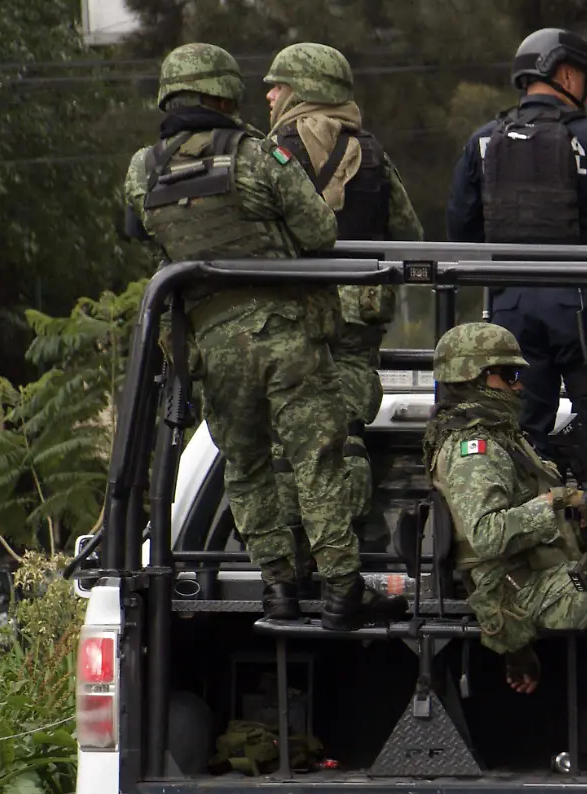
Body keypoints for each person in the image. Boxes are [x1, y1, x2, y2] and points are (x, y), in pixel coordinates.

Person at [122, 43, 403, 630]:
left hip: (209, 346)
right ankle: (342, 593)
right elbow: (319, 231)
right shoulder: (256, 155)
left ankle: (277, 589)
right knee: (318, 459)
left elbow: (146, 241)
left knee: (245, 467)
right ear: (225, 95)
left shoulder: (141, 169)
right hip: (285, 335)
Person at [446, 28, 587, 566]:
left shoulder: (483, 141)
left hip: (510, 315)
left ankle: (528, 549)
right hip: (580, 309)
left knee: (522, 436)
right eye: (586, 78)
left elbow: (459, 229)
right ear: (565, 75)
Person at [425, 321, 587, 777]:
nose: (519, 385)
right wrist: (554, 503)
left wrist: (573, 502)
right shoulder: (474, 448)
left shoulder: (501, 437)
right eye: (507, 374)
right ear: (472, 377)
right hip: (526, 591)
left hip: (533, 584)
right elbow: (485, 536)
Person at [263, 42, 424, 532]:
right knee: (347, 432)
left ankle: (292, 567)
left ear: (304, 90)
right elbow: (411, 235)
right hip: (359, 313)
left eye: (279, 85)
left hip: (292, 309)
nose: (270, 95)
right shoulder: (371, 152)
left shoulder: (271, 152)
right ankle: (349, 549)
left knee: (286, 436)